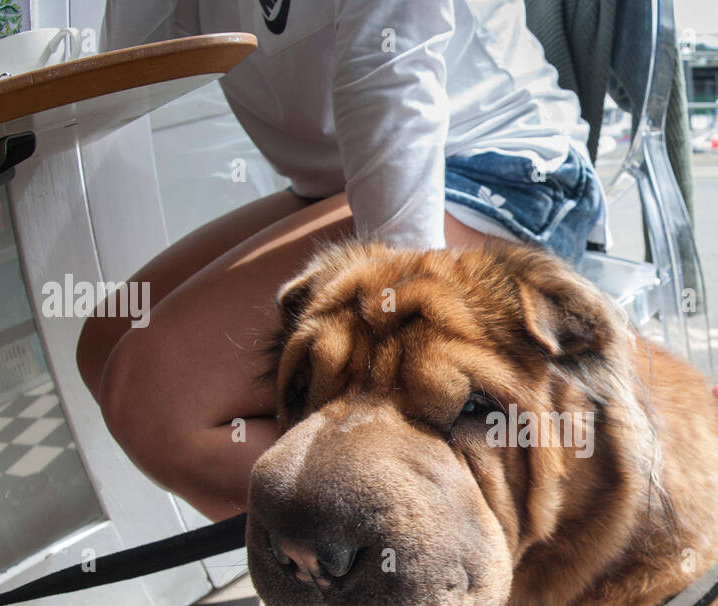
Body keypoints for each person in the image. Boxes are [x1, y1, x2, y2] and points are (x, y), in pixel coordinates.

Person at [76, 0, 606, 521]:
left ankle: (434, 554)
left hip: (495, 168)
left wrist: (394, 314)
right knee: (107, 339)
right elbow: (126, 72)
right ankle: (371, 533)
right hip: (345, 182)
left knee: (153, 402)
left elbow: (391, 75)